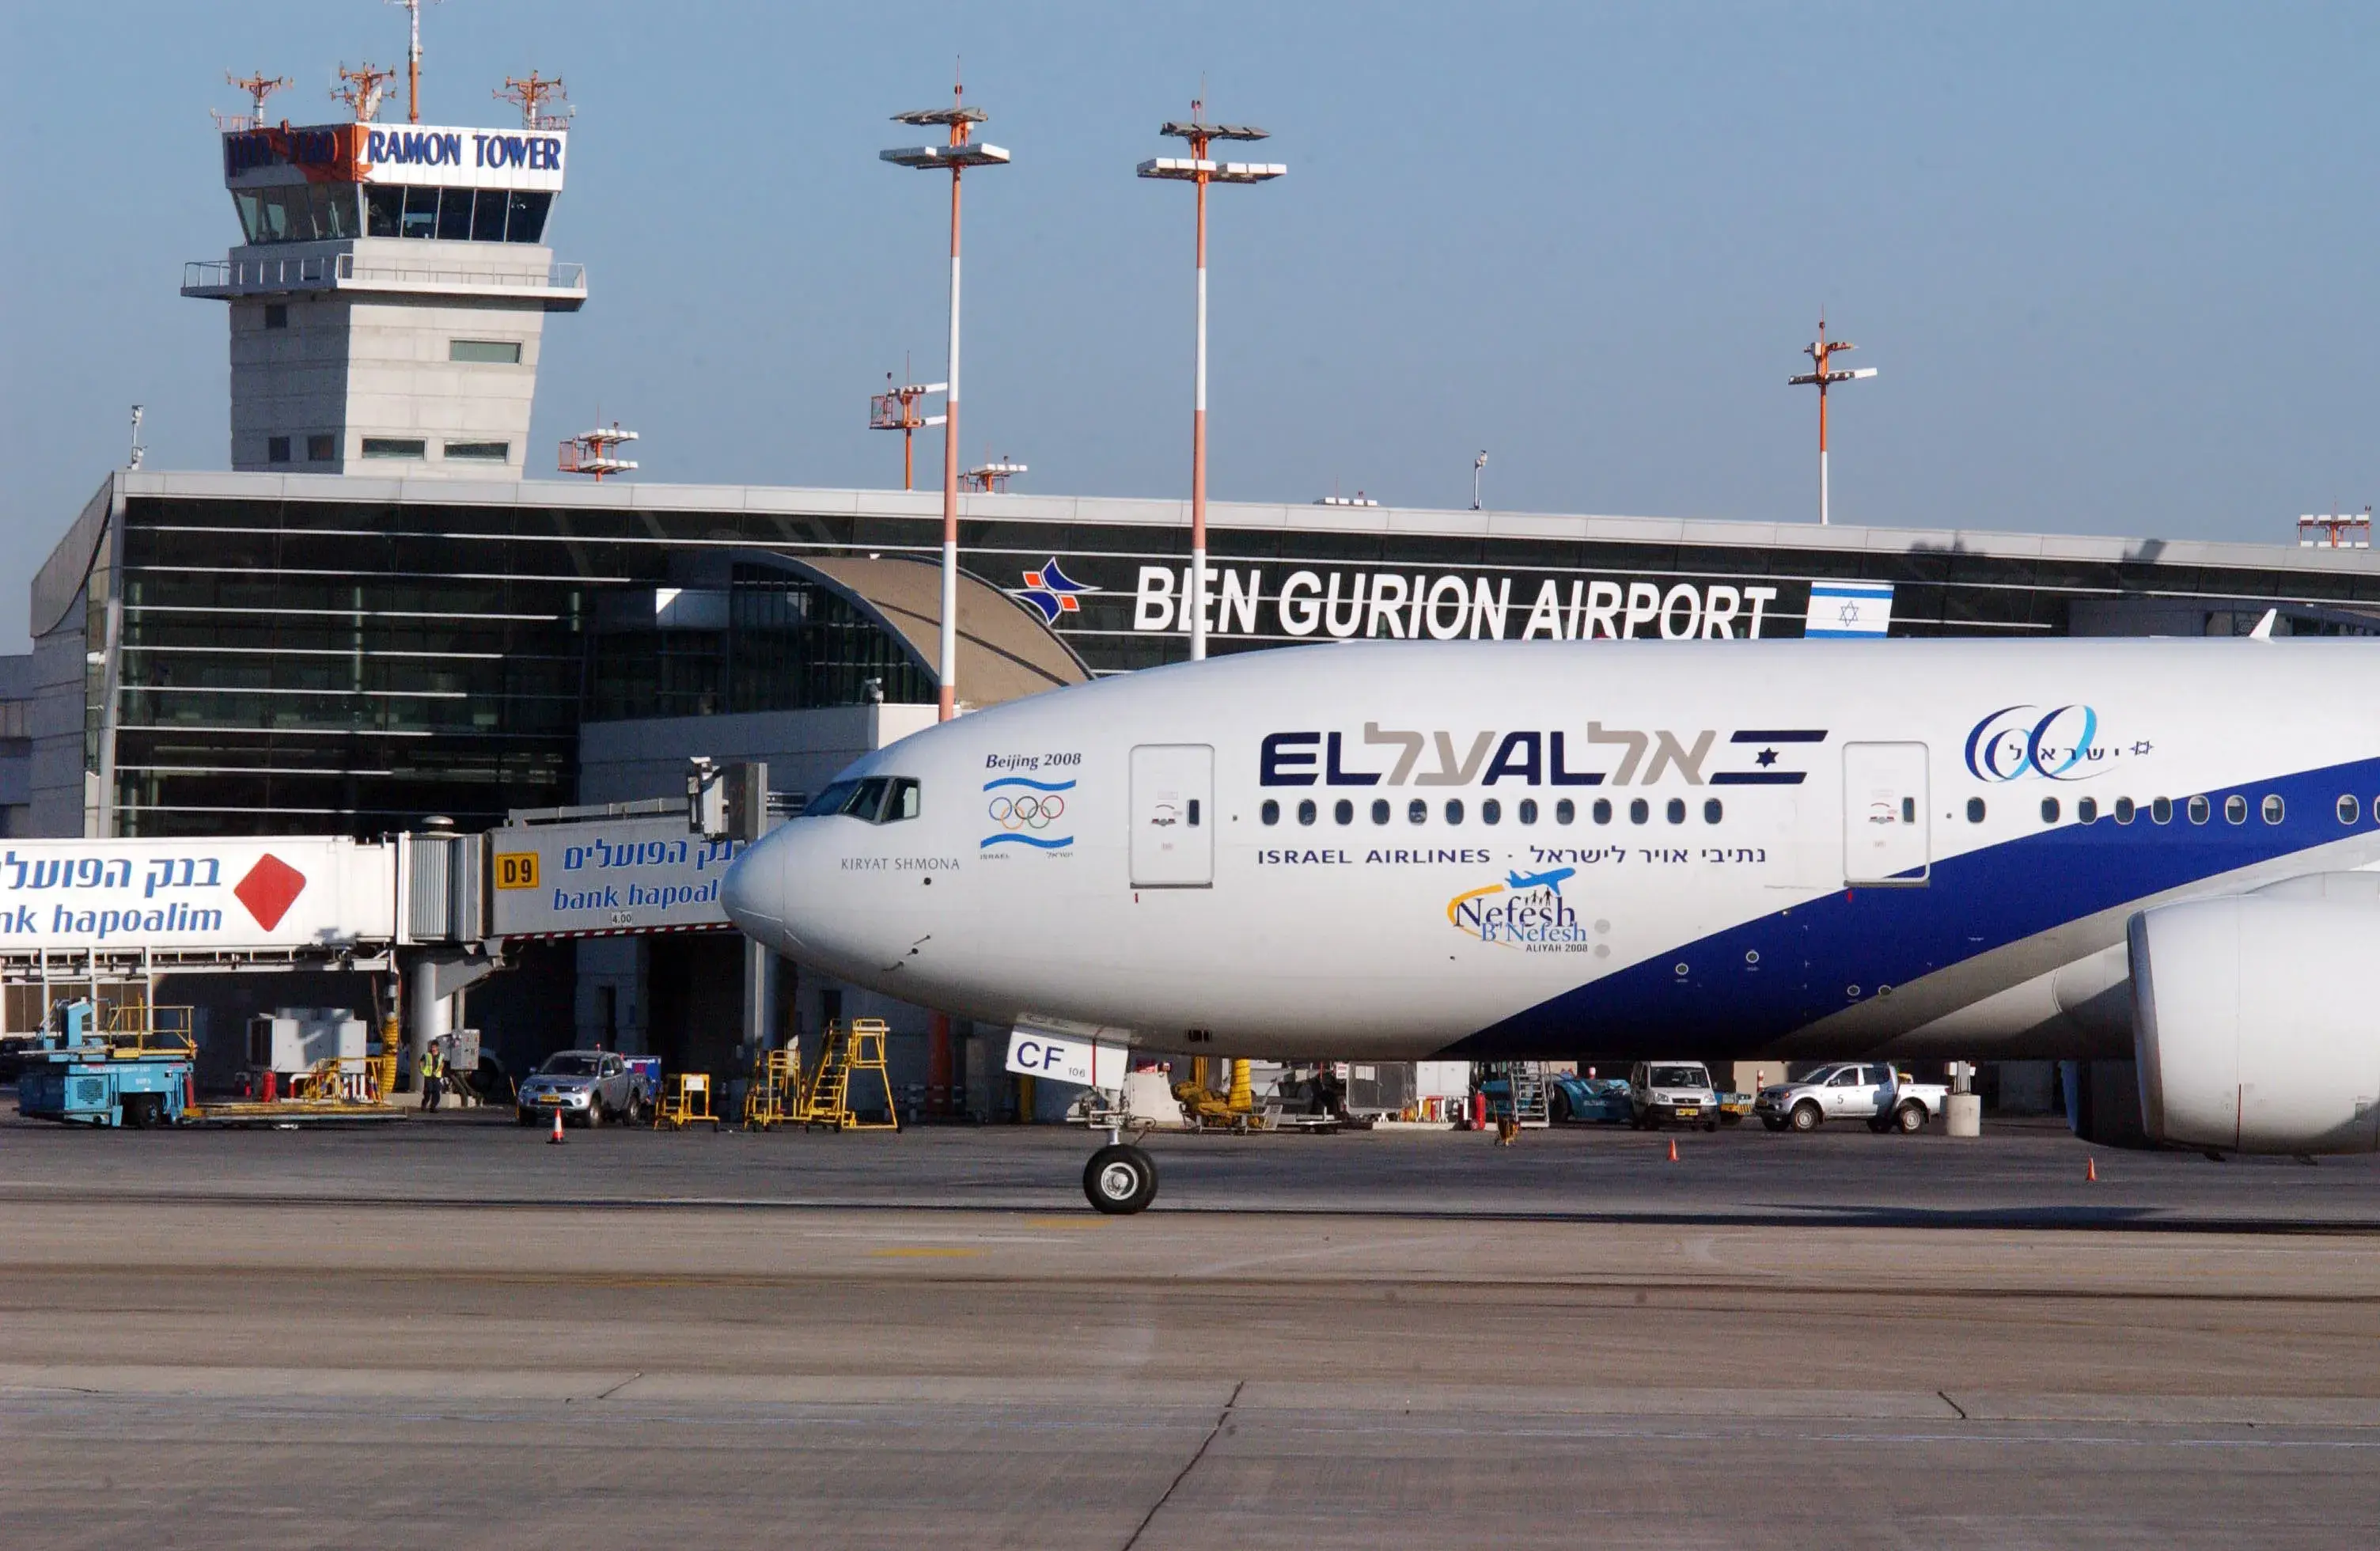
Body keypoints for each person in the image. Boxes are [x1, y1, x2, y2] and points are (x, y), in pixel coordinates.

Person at [420, 1042, 443, 1112]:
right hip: (428, 1075)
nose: (433, 1049)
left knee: (436, 1091)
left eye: (434, 1047)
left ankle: (433, 1107)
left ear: (437, 1048)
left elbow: (442, 1064)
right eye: (432, 1047)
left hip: (436, 1076)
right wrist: (422, 1070)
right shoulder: (427, 1055)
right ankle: (424, 1103)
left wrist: (437, 1071)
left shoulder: (441, 1055)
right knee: (428, 1090)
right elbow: (421, 1061)